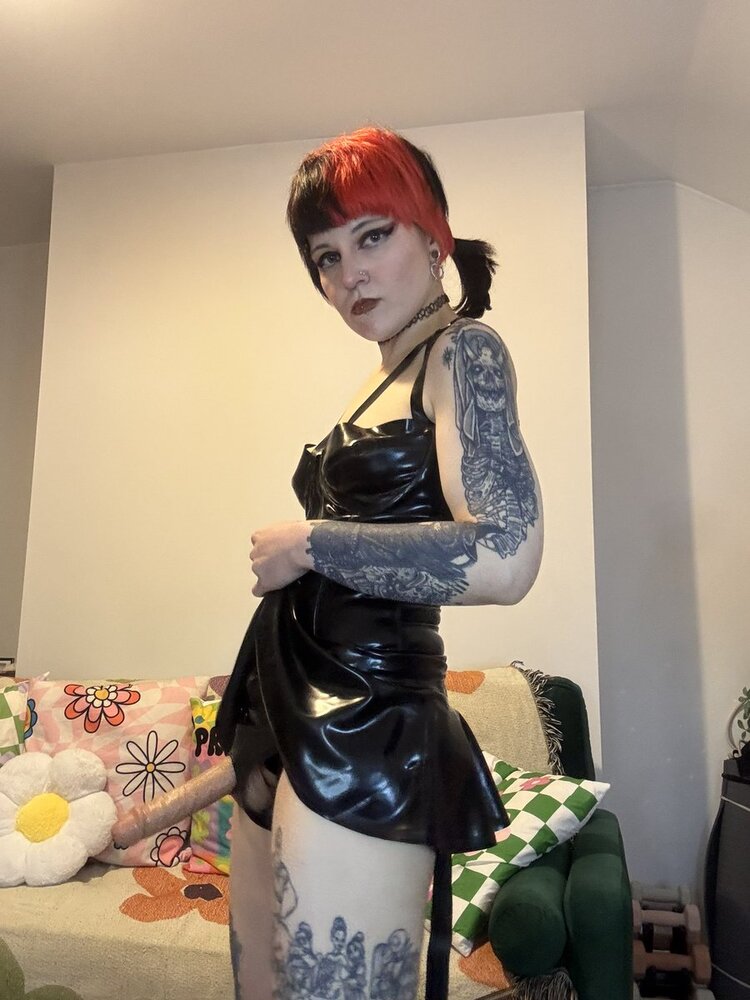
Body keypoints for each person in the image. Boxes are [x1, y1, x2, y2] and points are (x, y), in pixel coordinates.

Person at [217, 125, 543, 1000]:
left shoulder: (463, 351)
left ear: (433, 238)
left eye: (372, 236)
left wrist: (310, 541)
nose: (348, 274)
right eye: (326, 257)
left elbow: (508, 553)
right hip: (280, 709)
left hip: (369, 726)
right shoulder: (380, 379)